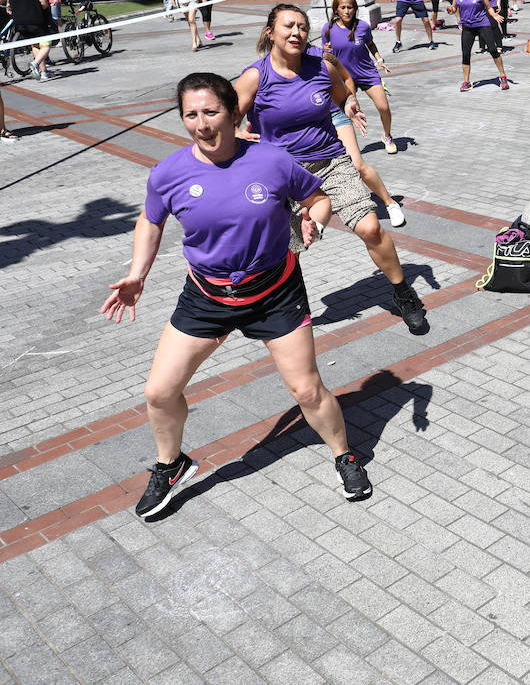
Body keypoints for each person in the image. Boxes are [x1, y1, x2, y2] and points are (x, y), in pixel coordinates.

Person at [100, 71, 374, 516]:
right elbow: (151, 221)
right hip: (207, 296)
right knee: (159, 392)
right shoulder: (168, 173)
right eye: (191, 114)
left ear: (232, 113)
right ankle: (170, 465)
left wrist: (314, 221)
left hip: (275, 292)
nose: (201, 124)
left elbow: (318, 197)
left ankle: (344, 453)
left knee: (306, 390)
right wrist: (137, 275)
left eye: (211, 112)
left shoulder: (271, 161)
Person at [235, 5, 427, 331]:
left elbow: (342, 95)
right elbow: (228, 120)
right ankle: (285, 308)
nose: (296, 32)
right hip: (283, 174)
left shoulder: (321, 66)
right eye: (288, 26)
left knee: (370, 228)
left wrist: (349, 105)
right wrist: (239, 132)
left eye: (301, 26)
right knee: (288, 248)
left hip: (331, 161)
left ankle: (403, 292)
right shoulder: (256, 76)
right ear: (270, 33)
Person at [324, 0, 401, 158]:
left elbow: (371, 44)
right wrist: (326, 52)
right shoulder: (328, 29)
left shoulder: (363, 26)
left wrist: (379, 60)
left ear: (355, 9)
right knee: (348, 112)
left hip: (367, 73)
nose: (346, 11)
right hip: (344, 77)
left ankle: (387, 137)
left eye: (350, 7)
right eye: (342, 7)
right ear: (336, 10)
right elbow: (325, 55)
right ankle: (345, 147)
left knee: (384, 107)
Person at [455, 0, 510, 92]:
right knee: (466, 54)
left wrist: (494, 15)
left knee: (492, 49)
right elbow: (454, 6)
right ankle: (466, 82)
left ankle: (503, 76)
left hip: (482, 24)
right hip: (468, 26)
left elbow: (488, 7)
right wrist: (451, 10)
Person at [0, 0, 53, 83]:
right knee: (46, 45)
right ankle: (35, 63)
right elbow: (44, 4)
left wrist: (9, 5)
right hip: (37, 20)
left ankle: (43, 72)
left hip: (19, 22)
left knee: (35, 45)